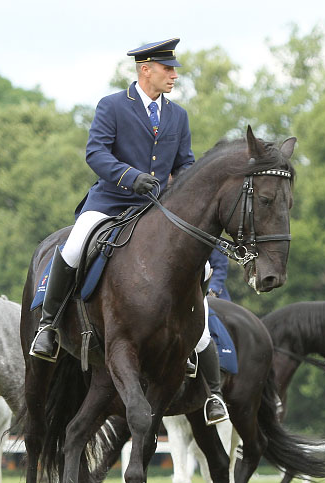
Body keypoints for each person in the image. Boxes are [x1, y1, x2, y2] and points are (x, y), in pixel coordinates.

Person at [28, 38, 228, 424]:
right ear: (145, 70)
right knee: (72, 248)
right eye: (167, 69)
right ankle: (49, 327)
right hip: (111, 202)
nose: (173, 75)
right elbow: (96, 152)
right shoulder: (113, 106)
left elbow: (185, 165)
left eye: (174, 70)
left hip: (157, 210)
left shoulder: (178, 116)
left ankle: (191, 350)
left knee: (200, 270)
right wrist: (129, 176)